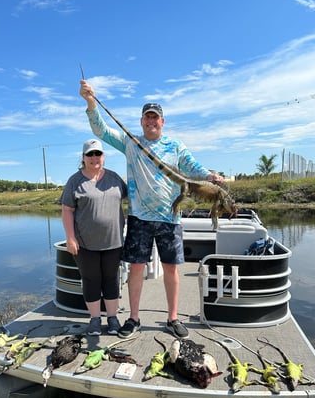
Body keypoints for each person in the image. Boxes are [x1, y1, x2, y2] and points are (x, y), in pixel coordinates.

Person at [80, 80, 224, 339]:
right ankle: (133, 318)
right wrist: (91, 102)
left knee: (171, 268)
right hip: (139, 218)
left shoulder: (176, 146)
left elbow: (194, 168)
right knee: (136, 268)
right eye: (147, 118)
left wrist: (212, 176)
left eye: (155, 118)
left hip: (170, 217)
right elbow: (100, 130)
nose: (151, 122)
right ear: (141, 121)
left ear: (162, 121)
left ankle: (173, 318)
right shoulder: (131, 143)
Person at [61, 138, 127, 336]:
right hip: (85, 244)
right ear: (83, 158)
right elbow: (67, 210)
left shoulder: (115, 179)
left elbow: (133, 199)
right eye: (89, 154)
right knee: (91, 280)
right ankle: (95, 319)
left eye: (97, 153)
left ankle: (113, 318)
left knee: (111, 279)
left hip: (113, 242)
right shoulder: (75, 181)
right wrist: (70, 238)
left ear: (103, 157)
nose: (94, 157)